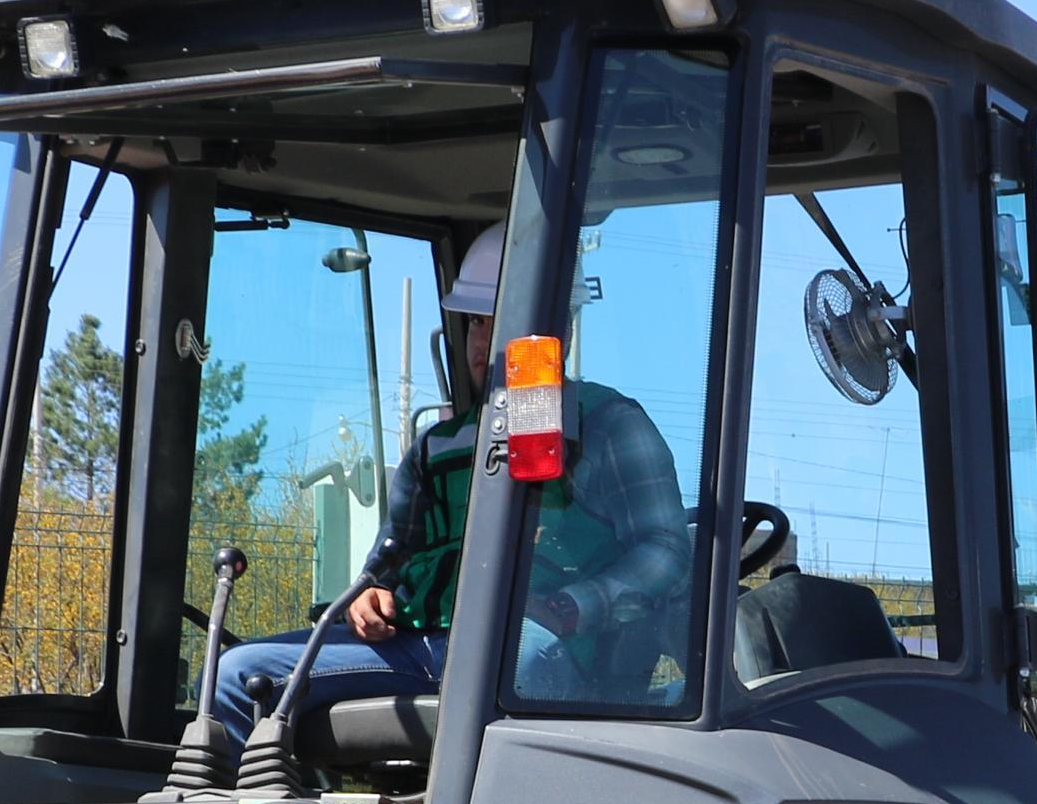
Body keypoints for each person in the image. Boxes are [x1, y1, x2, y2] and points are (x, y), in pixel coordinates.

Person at [202, 224, 692, 744]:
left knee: (510, 672)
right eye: (477, 323)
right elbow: (385, 566)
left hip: (543, 646)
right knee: (234, 676)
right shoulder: (437, 447)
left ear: (560, 331)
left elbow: (665, 551)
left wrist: (573, 607)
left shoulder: (610, 425)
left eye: (501, 322)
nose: (484, 341)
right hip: (421, 644)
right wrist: (369, 599)